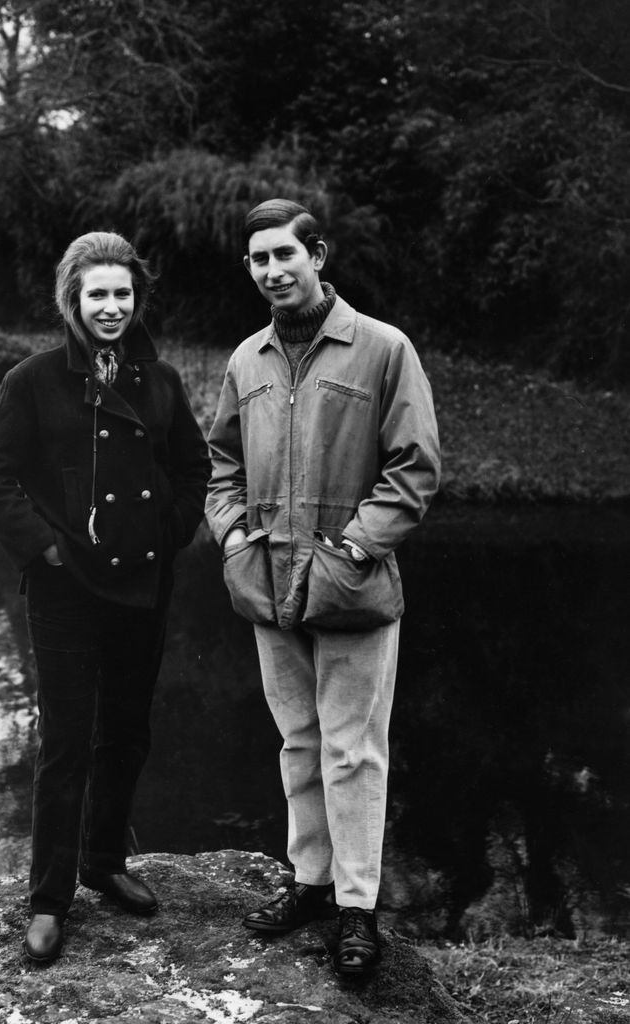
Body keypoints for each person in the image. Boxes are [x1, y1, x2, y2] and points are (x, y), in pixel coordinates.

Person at [206, 199, 441, 976]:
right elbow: (221, 467)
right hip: (268, 587)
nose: (273, 270)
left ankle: (357, 908)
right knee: (298, 744)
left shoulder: (381, 349)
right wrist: (235, 536)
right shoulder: (246, 361)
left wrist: (351, 549)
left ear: (317, 254)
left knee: (352, 752)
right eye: (258, 259)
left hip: (351, 588)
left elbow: (413, 469)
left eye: (285, 254)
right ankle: (308, 883)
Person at [0, 231, 209, 964]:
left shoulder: (158, 379)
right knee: (66, 742)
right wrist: (46, 549)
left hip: (142, 581)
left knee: (126, 733)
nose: (111, 307)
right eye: (96, 294)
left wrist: (170, 532)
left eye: (122, 294)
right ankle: (49, 899)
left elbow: (194, 464)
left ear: (136, 300)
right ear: (71, 301)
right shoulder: (33, 380)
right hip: (65, 589)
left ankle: (103, 863)